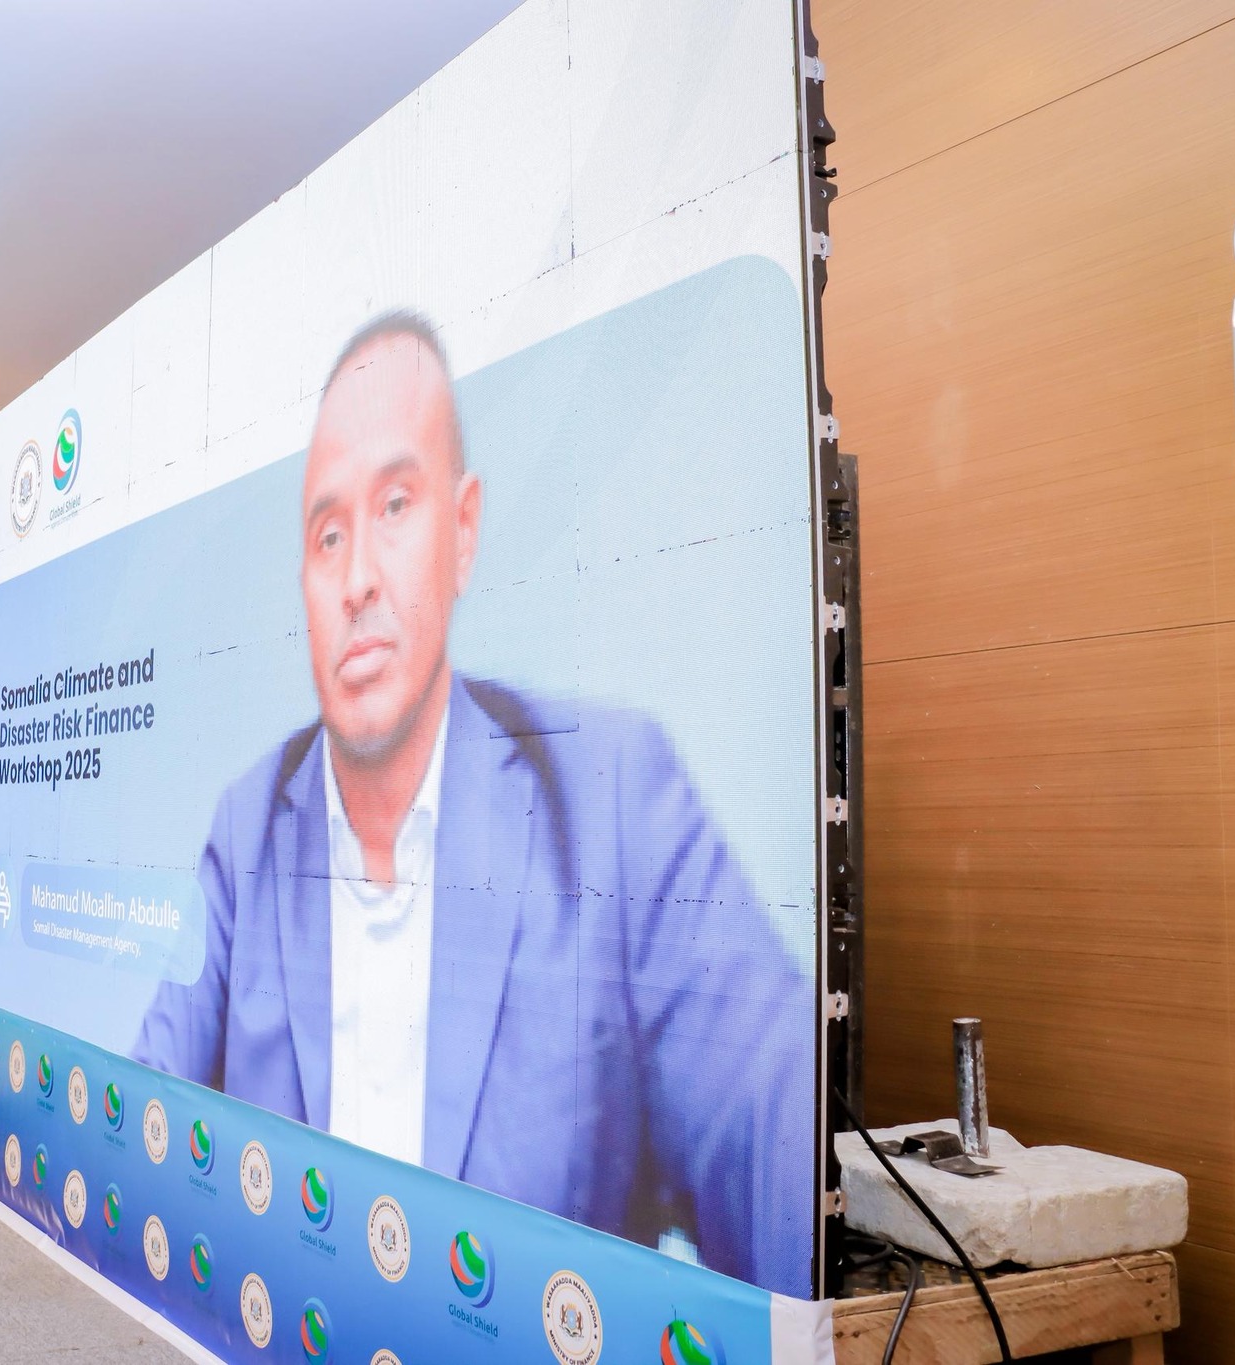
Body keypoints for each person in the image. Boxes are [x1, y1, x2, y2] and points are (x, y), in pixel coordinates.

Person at [131, 313, 814, 1294]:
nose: (358, 578)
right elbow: (146, 1108)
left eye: (395, 505)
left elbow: (773, 1141)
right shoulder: (248, 826)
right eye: (328, 535)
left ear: (462, 530)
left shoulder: (611, 798)